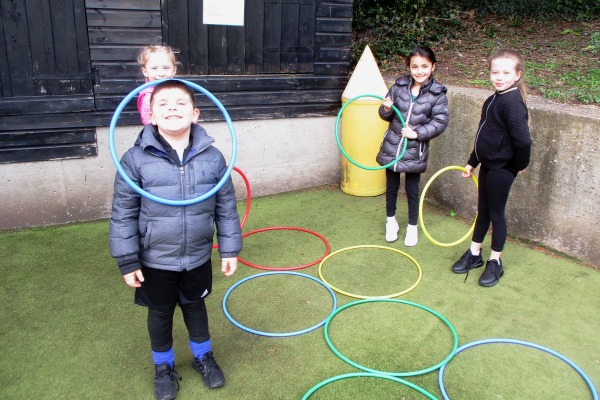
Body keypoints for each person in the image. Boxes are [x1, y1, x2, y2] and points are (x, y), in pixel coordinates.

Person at [109, 79, 242, 400]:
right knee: (160, 313)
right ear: (151, 116)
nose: (172, 108)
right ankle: (163, 368)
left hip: (197, 255)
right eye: (163, 104)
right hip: (155, 259)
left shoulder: (212, 157)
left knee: (195, 308)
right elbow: (123, 213)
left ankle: (203, 358)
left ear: (195, 113)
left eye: (180, 103)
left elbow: (225, 206)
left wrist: (229, 248)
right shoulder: (135, 159)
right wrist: (127, 259)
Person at [451, 49, 532, 287]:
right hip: (487, 165)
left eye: (506, 72)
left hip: (502, 168)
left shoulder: (513, 103)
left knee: (496, 215)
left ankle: (495, 261)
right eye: (495, 71)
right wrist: (472, 161)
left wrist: (518, 166)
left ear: (517, 75)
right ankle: (475, 254)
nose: (499, 76)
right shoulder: (494, 98)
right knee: (483, 212)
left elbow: (523, 140)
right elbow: (482, 136)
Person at [376, 46, 449, 246]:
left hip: (415, 150)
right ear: (409, 67)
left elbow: (440, 122)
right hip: (392, 147)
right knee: (391, 187)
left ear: (433, 67)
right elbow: (385, 115)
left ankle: (412, 227)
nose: (419, 71)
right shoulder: (399, 85)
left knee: (412, 191)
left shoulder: (437, 93)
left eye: (424, 66)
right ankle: (391, 222)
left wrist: (417, 133)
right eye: (415, 66)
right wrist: (385, 108)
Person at [137, 45, 178, 125]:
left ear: (173, 70)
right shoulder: (148, 98)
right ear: (145, 71)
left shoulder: (179, 89)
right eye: (154, 68)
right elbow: (149, 122)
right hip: (158, 131)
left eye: (166, 68)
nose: (161, 74)